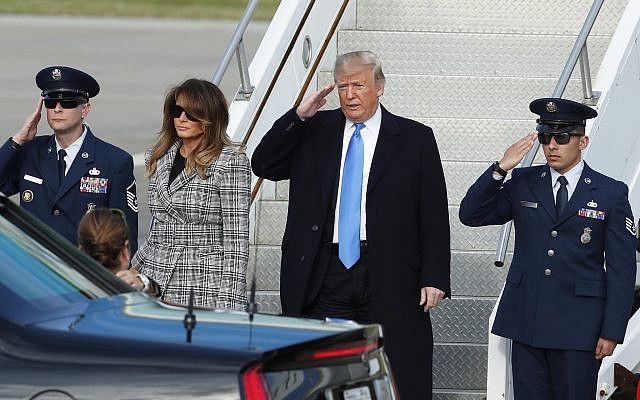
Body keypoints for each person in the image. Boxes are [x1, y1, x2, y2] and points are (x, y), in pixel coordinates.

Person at [252, 51, 451, 399]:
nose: (350, 94)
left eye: (358, 85)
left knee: (395, 368)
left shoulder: (415, 138)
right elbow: (265, 164)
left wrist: (434, 276)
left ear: (380, 87)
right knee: (322, 369)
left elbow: (432, 212)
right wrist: (298, 117)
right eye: (343, 86)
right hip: (324, 269)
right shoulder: (315, 129)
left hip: (387, 269)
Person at [459, 98, 637, 399]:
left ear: (583, 141)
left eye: (562, 137)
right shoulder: (524, 181)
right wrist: (500, 168)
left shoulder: (610, 192)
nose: (552, 145)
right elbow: (471, 214)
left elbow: (622, 268)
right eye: (545, 136)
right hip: (528, 320)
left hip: (580, 328)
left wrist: (612, 330)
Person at [131, 78, 250, 310]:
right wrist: (132, 270)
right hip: (155, 278)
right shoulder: (158, 158)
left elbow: (237, 241)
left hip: (203, 284)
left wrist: (229, 304)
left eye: (192, 113)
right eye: (177, 111)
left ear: (210, 118)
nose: (182, 118)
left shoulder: (230, 162)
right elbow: (158, 232)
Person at [0, 66, 138, 251]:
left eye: (68, 102)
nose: (57, 109)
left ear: (85, 109)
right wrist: (16, 141)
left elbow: (126, 234)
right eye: (51, 102)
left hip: (84, 272)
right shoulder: (29, 151)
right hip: (34, 269)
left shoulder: (114, 162)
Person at [78, 208, 157, 294]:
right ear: (124, 253)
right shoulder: (136, 301)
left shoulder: (65, 284)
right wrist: (144, 285)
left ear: (80, 248)